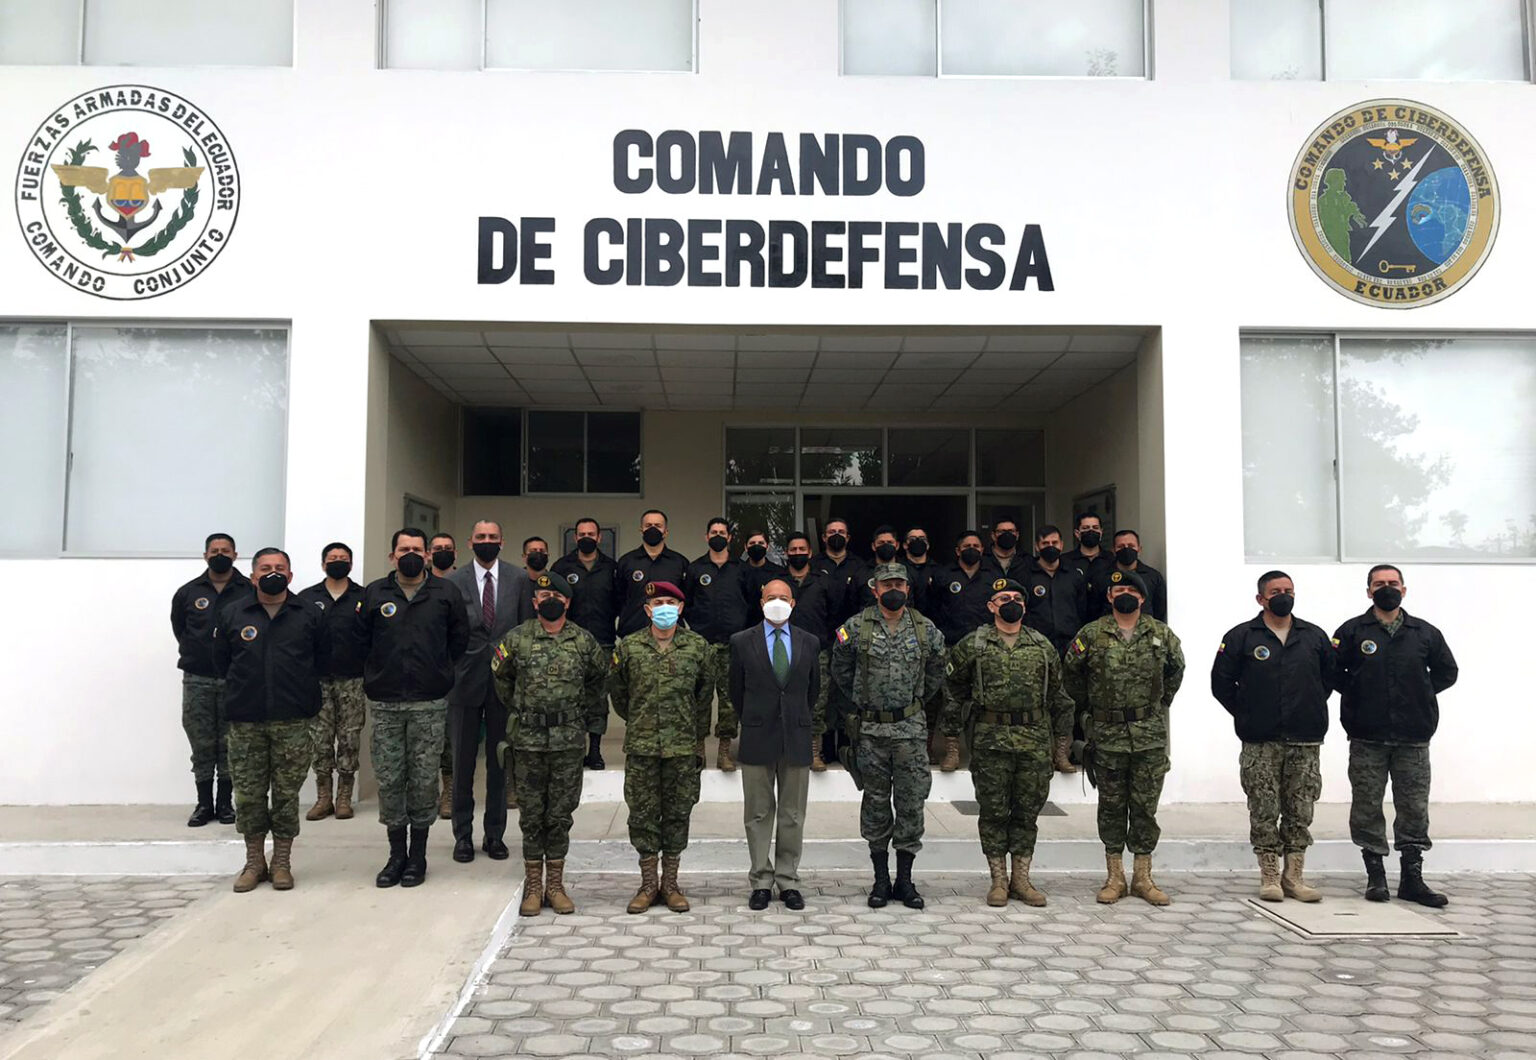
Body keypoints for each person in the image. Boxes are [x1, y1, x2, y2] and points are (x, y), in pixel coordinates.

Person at [1333, 564, 1458, 907]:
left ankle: (1412, 879)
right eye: (1379, 584)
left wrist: (1419, 692)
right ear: (1368, 591)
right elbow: (1331, 672)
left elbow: (1448, 671)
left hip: (1413, 737)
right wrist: (1359, 694)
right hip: (1366, 736)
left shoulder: (1424, 633)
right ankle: (1375, 877)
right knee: (1366, 807)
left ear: (1404, 590)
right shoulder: (1352, 631)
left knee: (1413, 808)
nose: (1386, 588)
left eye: (1392, 583)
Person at [944, 578, 1074, 906]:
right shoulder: (972, 645)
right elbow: (953, 690)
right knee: (993, 811)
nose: (1011, 601)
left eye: (1017, 597)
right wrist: (952, 741)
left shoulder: (1043, 646)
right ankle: (998, 881)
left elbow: (1059, 696)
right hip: (990, 741)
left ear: (1025, 606)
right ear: (991, 606)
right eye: (1003, 597)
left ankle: (1022, 879)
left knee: (1027, 811)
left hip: (1033, 740)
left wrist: (1062, 743)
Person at [1211, 571, 1334, 903]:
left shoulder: (1314, 636)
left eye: (1289, 590)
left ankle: (1293, 875)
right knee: (1263, 807)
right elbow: (1221, 684)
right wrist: (1249, 712)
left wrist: (1305, 707)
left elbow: (1328, 681)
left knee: (1300, 808)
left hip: (1305, 739)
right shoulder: (1241, 637)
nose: (1284, 595)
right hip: (1260, 740)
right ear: (1261, 599)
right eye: (1276, 591)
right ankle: (1269, 875)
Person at [1064, 570, 1185, 906]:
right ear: (1109, 596)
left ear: (1143, 598)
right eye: (1119, 589)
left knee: (1145, 807)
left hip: (1149, 735)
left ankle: (1143, 877)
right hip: (1107, 734)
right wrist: (1089, 709)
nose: (1126, 594)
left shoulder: (1160, 633)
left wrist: (1160, 704)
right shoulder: (1091, 634)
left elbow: (1176, 670)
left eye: (1132, 589)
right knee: (1112, 806)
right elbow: (1071, 673)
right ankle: (1115, 876)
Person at [358, 528, 469, 888]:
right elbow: (362, 641)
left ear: (427, 555)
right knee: (390, 779)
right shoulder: (375, 593)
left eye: (417, 549)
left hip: (428, 701)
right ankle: (395, 855)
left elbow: (459, 640)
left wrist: (439, 673)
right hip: (387, 702)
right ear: (392, 555)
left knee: (423, 779)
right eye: (403, 548)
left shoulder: (445, 593)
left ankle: (418, 855)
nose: (411, 554)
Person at [492, 572, 608, 916]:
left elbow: (597, 684)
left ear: (568, 602)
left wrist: (576, 717)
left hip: (568, 741)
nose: (549, 601)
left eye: (556, 596)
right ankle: (533, 885)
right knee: (531, 814)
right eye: (543, 596)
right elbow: (502, 680)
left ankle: (555, 885)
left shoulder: (584, 642)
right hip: (527, 741)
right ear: (535, 603)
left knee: (559, 815)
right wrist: (523, 710)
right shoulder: (516, 639)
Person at [832, 563, 946, 911]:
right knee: (876, 805)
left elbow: (936, 672)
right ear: (875, 588)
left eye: (899, 583)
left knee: (911, 804)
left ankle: (905, 881)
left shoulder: (925, 630)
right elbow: (840, 669)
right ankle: (880, 880)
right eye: (887, 583)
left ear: (908, 589)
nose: (893, 588)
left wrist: (909, 706)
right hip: (871, 732)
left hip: (910, 732)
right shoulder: (855, 627)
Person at [213, 548, 326, 893]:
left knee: (286, 795)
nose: (272, 573)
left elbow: (323, 660)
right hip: (246, 721)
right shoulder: (233, 613)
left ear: (290, 577)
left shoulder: (308, 613)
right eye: (265, 568)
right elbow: (221, 664)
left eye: (280, 568)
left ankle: (281, 862)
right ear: (253, 576)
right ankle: (253, 861)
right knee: (248, 795)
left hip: (292, 721)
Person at [610, 581, 713, 914]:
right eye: (658, 603)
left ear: (681, 608)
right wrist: (642, 720)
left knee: (677, 814)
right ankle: (647, 885)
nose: (664, 608)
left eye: (671, 602)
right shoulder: (629, 647)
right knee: (641, 815)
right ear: (647, 610)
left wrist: (693, 735)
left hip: (682, 748)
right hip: (641, 747)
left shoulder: (698, 647)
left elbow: (703, 697)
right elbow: (620, 695)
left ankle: (670, 885)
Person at [730, 578, 820, 911]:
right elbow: (735, 691)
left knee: (793, 814)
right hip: (756, 734)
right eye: (771, 597)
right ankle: (761, 881)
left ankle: (788, 880)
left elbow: (813, 690)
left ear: (793, 603)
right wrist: (754, 717)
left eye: (784, 597)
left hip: (796, 735)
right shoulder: (741, 642)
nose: (777, 602)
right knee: (757, 813)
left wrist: (794, 717)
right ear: (761, 602)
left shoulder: (809, 642)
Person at [447, 519, 532, 864]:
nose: (486, 541)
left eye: (492, 537)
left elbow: (525, 629)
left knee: (500, 764)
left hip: (504, 685)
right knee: (462, 763)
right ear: (470, 543)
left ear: (502, 542)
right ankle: (462, 836)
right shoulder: (454, 581)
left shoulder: (519, 579)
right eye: (480, 537)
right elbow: (449, 632)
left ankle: (494, 834)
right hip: (464, 682)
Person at [170, 532, 250, 827]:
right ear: (205, 556)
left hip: (235, 679)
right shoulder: (188, 592)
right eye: (214, 550)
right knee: (202, 744)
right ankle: (204, 804)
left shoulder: (248, 590)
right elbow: (180, 629)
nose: (220, 554)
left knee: (232, 744)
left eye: (225, 550)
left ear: (235, 555)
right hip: (197, 678)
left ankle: (225, 804)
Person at [297, 542, 367, 821]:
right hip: (318, 681)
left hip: (353, 679)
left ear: (351, 563)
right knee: (321, 741)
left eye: (344, 558)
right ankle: (323, 797)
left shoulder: (363, 596)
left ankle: (344, 798)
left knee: (349, 739)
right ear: (323, 563)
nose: (338, 561)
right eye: (333, 558)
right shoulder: (306, 598)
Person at [683, 517, 755, 771]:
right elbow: (687, 604)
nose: (718, 536)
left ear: (729, 538)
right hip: (702, 645)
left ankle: (724, 751)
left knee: (729, 701)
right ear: (706, 537)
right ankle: (698, 749)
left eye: (722, 532)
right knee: (699, 698)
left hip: (733, 644)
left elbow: (751, 603)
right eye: (713, 532)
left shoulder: (742, 569)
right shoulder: (695, 569)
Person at [552, 517, 620, 769]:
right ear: (575, 537)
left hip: (603, 642)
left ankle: (595, 750)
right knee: (571, 697)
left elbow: (620, 602)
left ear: (600, 537)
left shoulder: (611, 568)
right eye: (581, 534)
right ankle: (574, 749)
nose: (586, 537)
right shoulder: (561, 567)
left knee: (598, 699)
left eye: (591, 533)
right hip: (569, 642)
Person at [1021, 525, 1089, 774]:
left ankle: (1062, 753)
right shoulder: (1026, 574)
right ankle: (1039, 754)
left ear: (1062, 544)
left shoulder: (1074, 574)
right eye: (1045, 543)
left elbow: (1082, 609)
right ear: (1037, 546)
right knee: (1037, 701)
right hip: (1037, 647)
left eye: (1055, 542)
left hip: (1068, 647)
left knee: (1066, 702)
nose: (1051, 547)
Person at [935, 529, 994, 771]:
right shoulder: (943, 576)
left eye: (976, 546)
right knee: (951, 700)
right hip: (952, 646)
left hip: (983, 648)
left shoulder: (992, 577)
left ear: (982, 550)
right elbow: (933, 608)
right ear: (958, 551)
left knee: (984, 699)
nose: (972, 549)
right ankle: (952, 750)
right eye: (967, 545)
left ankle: (982, 752)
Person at [814, 517, 866, 765]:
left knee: (847, 693)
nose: (836, 535)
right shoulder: (815, 566)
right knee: (823, 694)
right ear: (824, 537)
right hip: (821, 638)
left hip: (850, 640)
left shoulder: (859, 566)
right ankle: (824, 747)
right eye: (831, 532)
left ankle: (846, 746)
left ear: (848, 537)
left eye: (841, 532)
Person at [783, 532, 835, 771]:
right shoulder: (779, 582)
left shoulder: (822, 581)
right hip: (783, 649)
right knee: (785, 699)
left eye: (801, 549)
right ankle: (787, 748)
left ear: (810, 553)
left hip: (818, 650)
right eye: (793, 550)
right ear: (786, 553)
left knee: (818, 700)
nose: (797, 554)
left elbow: (834, 613)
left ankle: (814, 750)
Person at [615, 509, 689, 638]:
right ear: (641, 530)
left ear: (665, 532)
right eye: (648, 526)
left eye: (658, 526)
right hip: (633, 634)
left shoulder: (679, 563)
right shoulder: (626, 562)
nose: (652, 529)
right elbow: (618, 598)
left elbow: (687, 598)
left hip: (671, 636)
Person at [429, 530, 458, 815]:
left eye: (447, 548)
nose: (442, 552)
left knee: (450, 734)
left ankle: (449, 791)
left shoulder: (462, 583)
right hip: (426, 670)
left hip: (457, 667)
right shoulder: (420, 584)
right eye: (437, 548)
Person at [1109, 530, 1167, 622]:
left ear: (1139, 549)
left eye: (1131, 546)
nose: (1126, 549)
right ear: (1113, 550)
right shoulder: (1102, 576)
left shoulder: (1153, 577)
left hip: (1145, 631)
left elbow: (1160, 610)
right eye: (1121, 546)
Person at [1064, 512, 1114, 619]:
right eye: (1086, 528)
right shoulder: (1065, 561)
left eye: (1095, 528)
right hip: (1074, 622)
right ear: (1077, 533)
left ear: (1101, 532)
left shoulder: (1112, 560)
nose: (1091, 531)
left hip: (1105, 622)